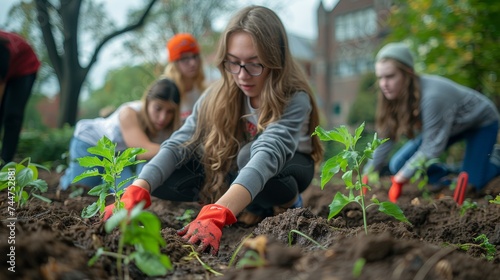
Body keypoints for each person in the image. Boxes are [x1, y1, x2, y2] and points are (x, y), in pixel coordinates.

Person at [103, 5, 324, 255]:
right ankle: (246, 204)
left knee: (248, 155)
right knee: (159, 173)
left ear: (275, 60)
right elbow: (178, 143)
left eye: (254, 64)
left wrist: (219, 213)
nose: (242, 75)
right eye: (234, 63)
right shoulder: (217, 94)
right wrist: (138, 187)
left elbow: (267, 154)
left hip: (290, 167)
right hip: (242, 168)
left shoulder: (294, 98)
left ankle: (284, 204)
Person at [363, 42, 500, 203]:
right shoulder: (392, 96)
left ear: (408, 73)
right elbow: (386, 135)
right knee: (398, 164)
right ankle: (449, 175)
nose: (384, 84)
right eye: (380, 78)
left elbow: (432, 146)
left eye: (390, 76)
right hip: (447, 126)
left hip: (480, 122)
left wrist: (400, 178)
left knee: (470, 186)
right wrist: (368, 172)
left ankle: (495, 159)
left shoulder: (433, 96)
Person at [59, 78, 181, 190]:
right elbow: (142, 151)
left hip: (116, 156)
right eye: (158, 108)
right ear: (148, 101)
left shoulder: (168, 126)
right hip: (90, 142)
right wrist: (181, 149)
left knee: (124, 191)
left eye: (170, 111)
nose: (163, 118)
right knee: (81, 188)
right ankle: (65, 181)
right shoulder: (129, 113)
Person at [0, 30, 41, 164]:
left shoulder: (2, 51)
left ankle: (6, 163)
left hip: (24, 68)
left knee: (12, 115)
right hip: (8, 70)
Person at [163, 33, 207, 122]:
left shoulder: (203, 90)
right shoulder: (166, 93)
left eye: (195, 56)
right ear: (174, 64)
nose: (193, 63)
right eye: (184, 59)